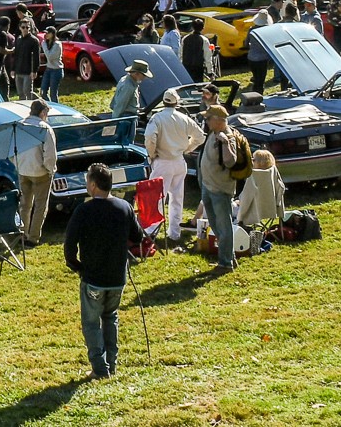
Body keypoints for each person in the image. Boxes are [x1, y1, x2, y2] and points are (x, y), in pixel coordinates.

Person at [64, 160, 143, 379]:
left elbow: (69, 246)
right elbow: (137, 237)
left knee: (91, 323)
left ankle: (99, 368)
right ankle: (112, 364)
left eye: (88, 180)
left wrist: (77, 267)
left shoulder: (84, 210)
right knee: (110, 318)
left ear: (94, 185)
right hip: (117, 277)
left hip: (93, 278)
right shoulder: (124, 207)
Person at [144, 87, 202, 243]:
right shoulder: (184, 118)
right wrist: (187, 148)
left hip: (162, 161)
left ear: (163, 102)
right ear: (177, 102)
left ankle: (151, 231)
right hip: (179, 161)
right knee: (177, 198)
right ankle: (174, 233)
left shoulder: (157, 118)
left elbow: (150, 137)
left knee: (156, 198)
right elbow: (200, 136)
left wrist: (152, 153)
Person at [196, 105, 244, 273]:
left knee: (224, 226)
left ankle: (225, 264)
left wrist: (224, 142)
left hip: (220, 189)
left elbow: (231, 161)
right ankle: (228, 256)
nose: (206, 121)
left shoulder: (227, 137)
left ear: (217, 120)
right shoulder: (213, 133)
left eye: (208, 119)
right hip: (208, 186)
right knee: (216, 225)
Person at [13, 98, 60, 244]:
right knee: (40, 206)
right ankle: (33, 237)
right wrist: (50, 170)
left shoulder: (19, 126)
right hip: (41, 173)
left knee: (24, 205)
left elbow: (11, 149)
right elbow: (50, 155)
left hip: (23, 170)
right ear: (43, 112)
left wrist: (18, 164)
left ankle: (23, 233)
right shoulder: (45, 129)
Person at [237, 148, 287, 238]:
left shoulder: (253, 175)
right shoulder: (273, 172)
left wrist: (240, 216)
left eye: (253, 159)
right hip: (273, 208)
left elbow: (246, 198)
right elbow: (281, 188)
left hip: (254, 211)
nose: (251, 161)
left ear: (260, 162)